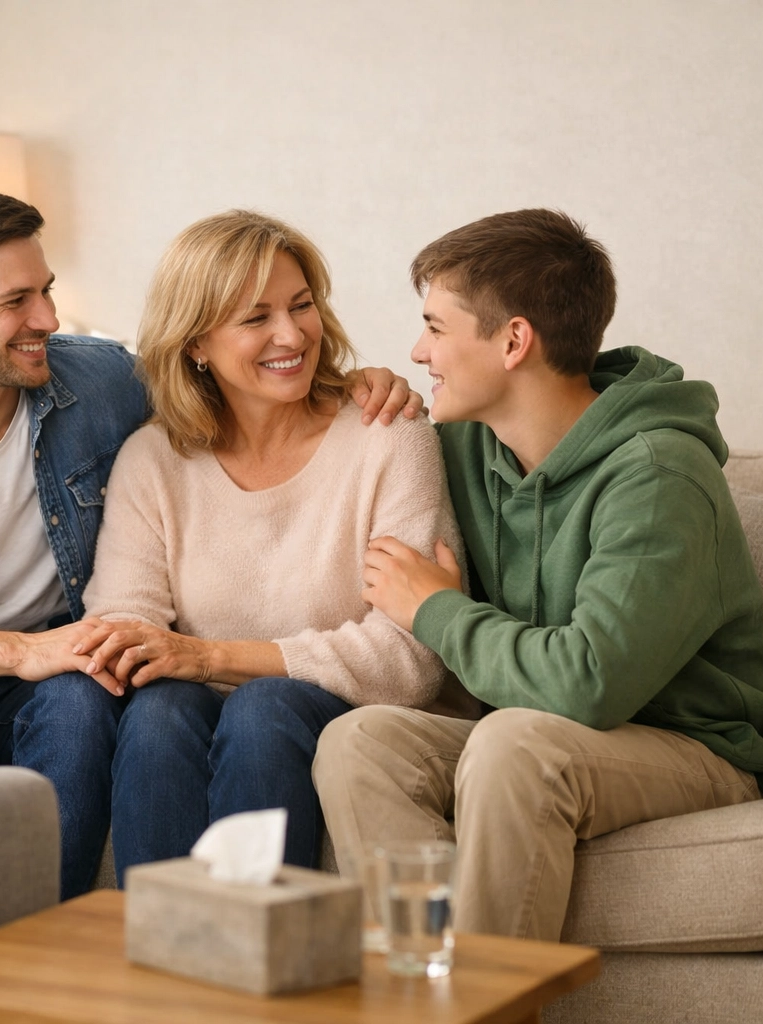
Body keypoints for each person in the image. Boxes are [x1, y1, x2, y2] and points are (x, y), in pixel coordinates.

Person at [0, 187, 421, 901]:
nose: (46, 319)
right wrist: (22, 651)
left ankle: (42, 963)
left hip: (49, 686)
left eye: (46, 291)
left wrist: (350, 383)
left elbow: (229, 369)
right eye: (16, 302)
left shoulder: (102, 383)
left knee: (86, 700)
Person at [313, 208, 763, 940]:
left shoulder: (659, 474)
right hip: (547, 739)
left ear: (514, 339)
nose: (419, 350)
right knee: (362, 743)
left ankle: (478, 1011)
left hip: (704, 748)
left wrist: (438, 612)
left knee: (516, 745)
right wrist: (355, 390)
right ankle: (421, 992)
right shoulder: (465, 448)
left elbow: (588, 685)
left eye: (437, 328)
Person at [75, 210, 473, 882]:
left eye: (302, 305)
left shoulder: (388, 432)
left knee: (263, 705)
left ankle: (264, 960)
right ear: (196, 343)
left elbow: (413, 656)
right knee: (159, 711)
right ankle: (159, 954)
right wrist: (170, 659)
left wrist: (212, 657)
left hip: (365, 716)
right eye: (255, 318)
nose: (292, 334)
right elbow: (124, 628)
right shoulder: (153, 460)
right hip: (209, 707)